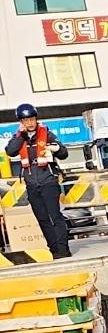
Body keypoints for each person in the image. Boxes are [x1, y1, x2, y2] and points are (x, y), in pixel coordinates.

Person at [5, 103, 70, 258]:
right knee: (41, 218)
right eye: (25, 120)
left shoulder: (46, 133)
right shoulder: (19, 137)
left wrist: (56, 149)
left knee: (55, 216)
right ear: (21, 122)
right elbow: (10, 151)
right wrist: (20, 136)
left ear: (36, 119)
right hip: (32, 184)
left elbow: (63, 153)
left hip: (48, 180)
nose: (29, 123)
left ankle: (63, 249)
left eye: (31, 119)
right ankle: (54, 249)